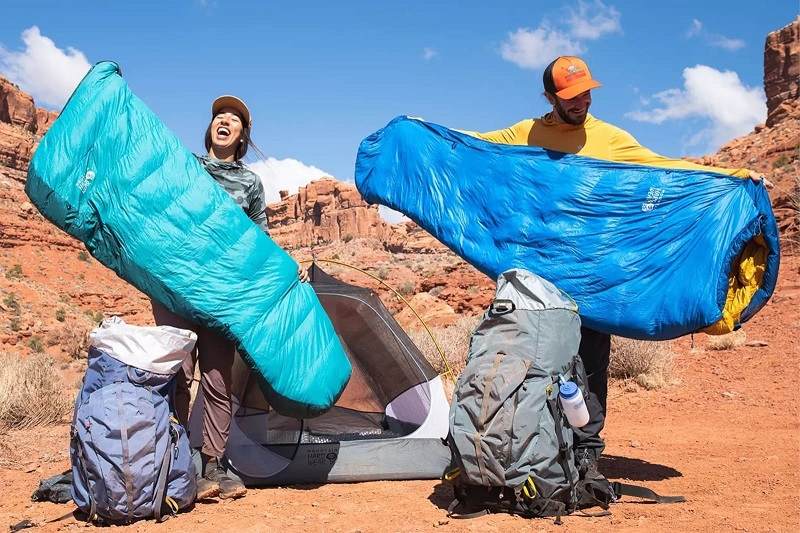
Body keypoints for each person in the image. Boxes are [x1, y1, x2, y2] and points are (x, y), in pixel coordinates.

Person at [466, 56, 767, 481]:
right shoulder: (526, 134)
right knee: (537, 360)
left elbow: (662, 167)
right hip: (540, 272)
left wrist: (733, 176)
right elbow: (472, 150)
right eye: (571, 96)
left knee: (590, 363)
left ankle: (585, 452)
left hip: (593, 275)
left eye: (586, 92)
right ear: (550, 97)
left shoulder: (609, 138)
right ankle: (537, 445)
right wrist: (424, 135)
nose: (582, 101)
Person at [152, 95, 307, 501]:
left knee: (219, 380)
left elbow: (260, 239)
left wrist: (288, 268)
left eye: (233, 120)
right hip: (178, 286)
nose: (224, 121)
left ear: (242, 137)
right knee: (179, 374)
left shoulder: (250, 183)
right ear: (210, 129)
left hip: (223, 294)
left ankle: (213, 465)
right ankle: (171, 458)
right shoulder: (185, 166)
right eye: (219, 116)